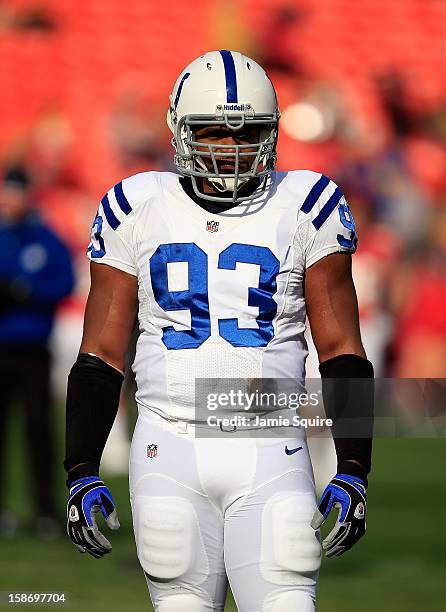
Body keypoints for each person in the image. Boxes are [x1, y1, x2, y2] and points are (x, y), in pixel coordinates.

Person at [64, 51, 374, 611]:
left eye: (247, 133)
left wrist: (353, 466)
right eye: (213, 133)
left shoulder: (306, 203)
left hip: (270, 440)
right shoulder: (135, 205)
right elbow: (101, 354)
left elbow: (341, 350)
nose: (230, 150)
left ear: (272, 133)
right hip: (168, 442)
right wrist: (81, 467)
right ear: (180, 131)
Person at [0, 166, 74, 538]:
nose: (10, 200)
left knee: (38, 430)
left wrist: (26, 291)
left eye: (16, 192)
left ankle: (45, 510)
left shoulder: (45, 239)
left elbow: (65, 281)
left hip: (32, 349)